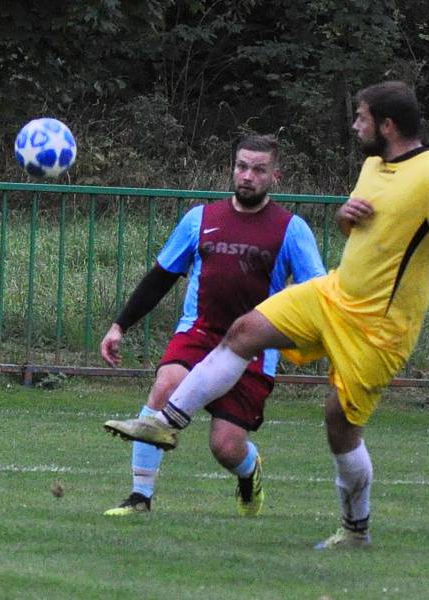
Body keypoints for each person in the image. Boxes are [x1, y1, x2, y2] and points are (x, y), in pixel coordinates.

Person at [104, 81, 429, 547]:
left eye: (362, 117)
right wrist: (347, 217)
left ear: (387, 125)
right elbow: (361, 228)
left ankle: (356, 530)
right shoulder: (374, 164)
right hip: (332, 294)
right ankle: (162, 425)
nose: (354, 125)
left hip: (378, 328)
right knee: (244, 330)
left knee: (339, 425)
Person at [100, 134, 326, 516]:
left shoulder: (291, 229)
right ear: (231, 169)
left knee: (225, 446)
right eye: (242, 167)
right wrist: (120, 325)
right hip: (199, 331)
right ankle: (140, 498)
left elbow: (316, 292)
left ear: (275, 176)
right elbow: (161, 276)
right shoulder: (201, 219)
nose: (248, 176)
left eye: (259, 169)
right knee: (165, 387)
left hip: (254, 346)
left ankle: (249, 470)